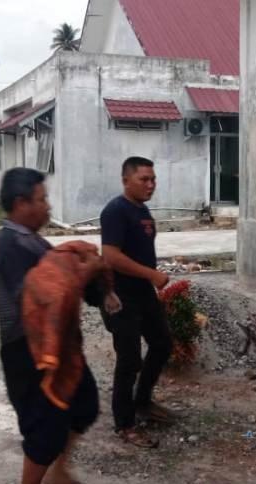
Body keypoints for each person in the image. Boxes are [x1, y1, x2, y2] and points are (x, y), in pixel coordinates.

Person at [0, 167, 105, 484]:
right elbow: (45, 300)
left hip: (60, 346)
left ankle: (60, 471)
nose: (48, 206)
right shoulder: (10, 246)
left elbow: (65, 284)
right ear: (20, 203)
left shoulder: (35, 243)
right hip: (29, 352)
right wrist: (85, 273)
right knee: (43, 430)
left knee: (84, 404)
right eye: (42, 199)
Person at [100, 156, 175, 449]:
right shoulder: (115, 211)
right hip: (120, 296)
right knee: (129, 359)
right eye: (144, 179)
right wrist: (152, 275)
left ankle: (142, 401)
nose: (150, 184)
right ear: (125, 180)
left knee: (162, 344)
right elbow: (111, 256)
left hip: (143, 293)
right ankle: (125, 424)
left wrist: (150, 280)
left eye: (153, 179)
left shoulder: (142, 211)